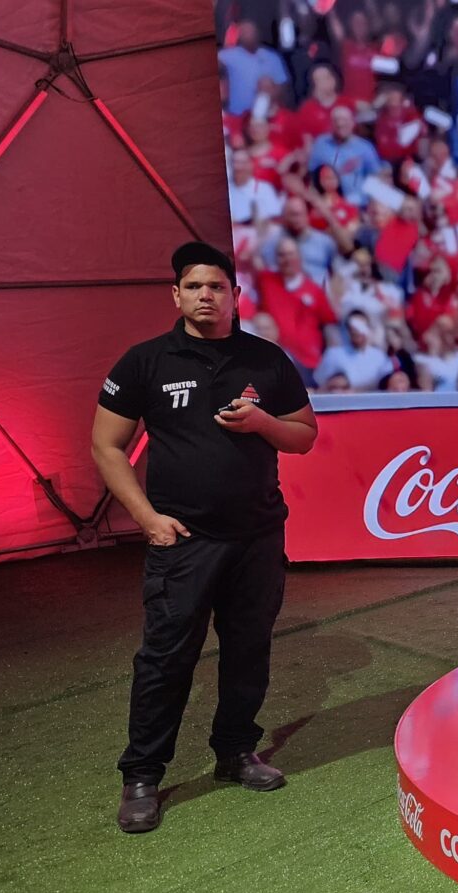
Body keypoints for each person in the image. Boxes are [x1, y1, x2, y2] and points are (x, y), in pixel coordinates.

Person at [92, 243, 319, 834]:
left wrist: (263, 423)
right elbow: (106, 446)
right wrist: (148, 520)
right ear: (176, 295)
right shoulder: (145, 362)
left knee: (249, 650)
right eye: (194, 286)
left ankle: (236, 753)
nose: (206, 295)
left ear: (235, 296)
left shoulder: (266, 360)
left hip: (258, 536)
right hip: (183, 541)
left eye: (217, 286)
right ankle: (142, 776)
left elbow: (303, 437)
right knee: (166, 659)